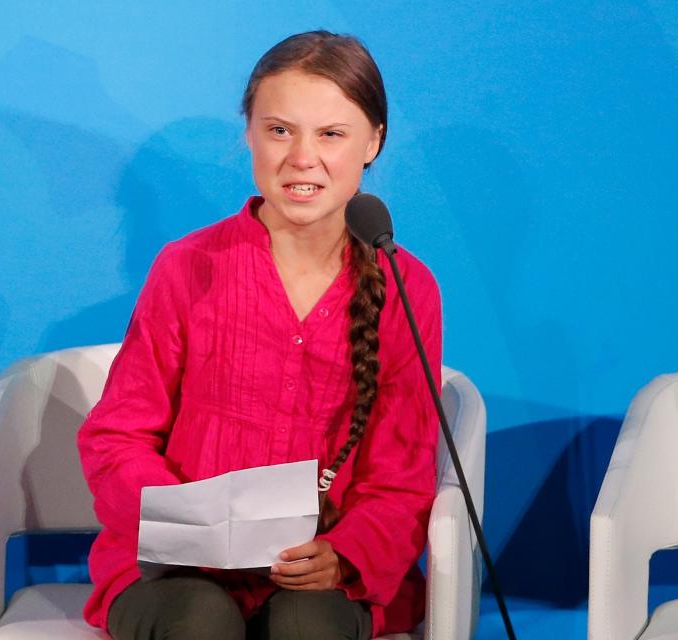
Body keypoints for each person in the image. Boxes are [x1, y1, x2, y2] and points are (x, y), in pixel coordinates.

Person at [78, 30, 442, 640]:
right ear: (249, 134)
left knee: (306, 625)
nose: (303, 157)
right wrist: (184, 524)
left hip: (320, 573)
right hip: (180, 570)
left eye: (331, 134)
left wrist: (345, 554)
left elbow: (402, 471)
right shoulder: (187, 265)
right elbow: (117, 434)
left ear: (373, 141)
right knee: (199, 620)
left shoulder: (410, 288)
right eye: (279, 130)